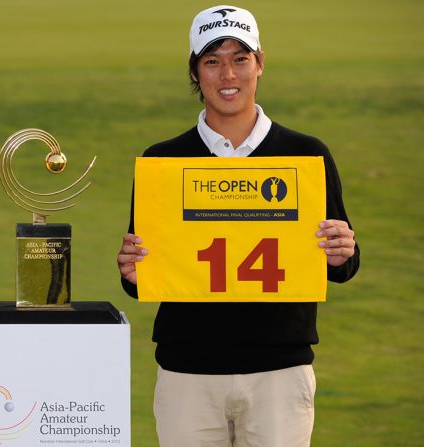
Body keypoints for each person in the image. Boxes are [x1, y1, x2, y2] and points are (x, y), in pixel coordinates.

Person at [117, 5, 359, 447]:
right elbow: (142, 277)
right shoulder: (162, 161)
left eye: (240, 58)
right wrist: (132, 268)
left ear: (260, 63)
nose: (228, 74)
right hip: (187, 373)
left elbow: (341, 266)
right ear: (194, 72)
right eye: (212, 61)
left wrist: (343, 250)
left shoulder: (306, 154)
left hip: (279, 374)